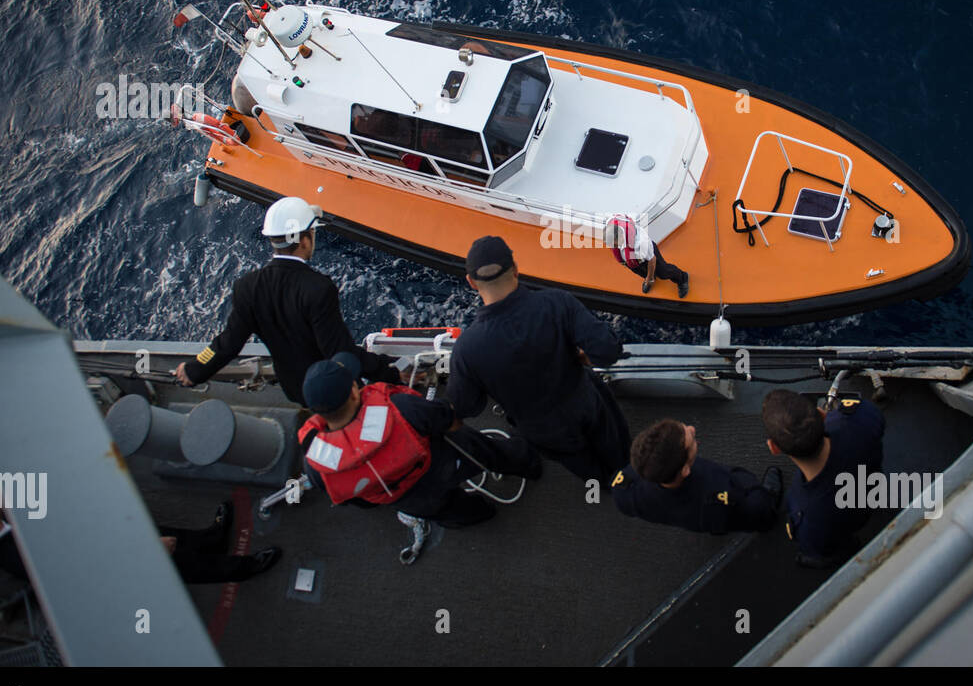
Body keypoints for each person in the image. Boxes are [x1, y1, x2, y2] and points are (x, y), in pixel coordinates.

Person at [172, 196, 399, 405]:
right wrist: (393, 371)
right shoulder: (318, 288)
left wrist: (195, 369)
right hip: (334, 389)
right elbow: (341, 352)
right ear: (304, 240)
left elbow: (227, 344)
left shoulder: (247, 287)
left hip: (295, 389)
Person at [446, 235, 630, 486]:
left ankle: (604, 483)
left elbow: (468, 406)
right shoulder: (556, 303)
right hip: (584, 403)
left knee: (580, 461)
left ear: (471, 283)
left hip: (541, 429)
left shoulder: (466, 350)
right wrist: (585, 357)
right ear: (516, 270)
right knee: (613, 443)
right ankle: (625, 475)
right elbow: (608, 351)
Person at [298, 352, 540, 528]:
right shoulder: (398, 408)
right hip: (441, 460)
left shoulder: (316, 466)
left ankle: (480, 513)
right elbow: (446, 419)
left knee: (448, 511)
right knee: (488, 453)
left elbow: (357, 500)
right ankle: (529, 464)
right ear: (353, 391)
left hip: (406, 497)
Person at [0, 476, 281, 584]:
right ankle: (244, 568)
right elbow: (90, 561)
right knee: (190, 566)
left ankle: (212, 536)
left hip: (107, 527)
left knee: (178, 536)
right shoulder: (22, 554)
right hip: (128, 555)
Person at [762, 388, 886, 567]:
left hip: (846, 526)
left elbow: (815, 545)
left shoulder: (805, 516)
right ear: (822, 414)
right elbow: (875, 418)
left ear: (774, 448)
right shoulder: (857, 416)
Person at [611, 419, 782, 534]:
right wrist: (760, 496)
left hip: (693, 519)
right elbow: (754, 507)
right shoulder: (718, 495)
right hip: (723, 513)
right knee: (760, 510)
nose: (692, 429)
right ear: (684, 470)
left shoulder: (624, 489)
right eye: (691, 440)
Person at [604, 215, 689, 298]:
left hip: (645, 253)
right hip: (630, 257)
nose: (613, 247)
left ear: (620, 237)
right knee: (639, 270)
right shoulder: (611, 224)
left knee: (663, 272)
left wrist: (650, 278)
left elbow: (652, 260)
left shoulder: (641, 243)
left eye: (614, 244)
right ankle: (649, 277)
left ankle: (682, 278)